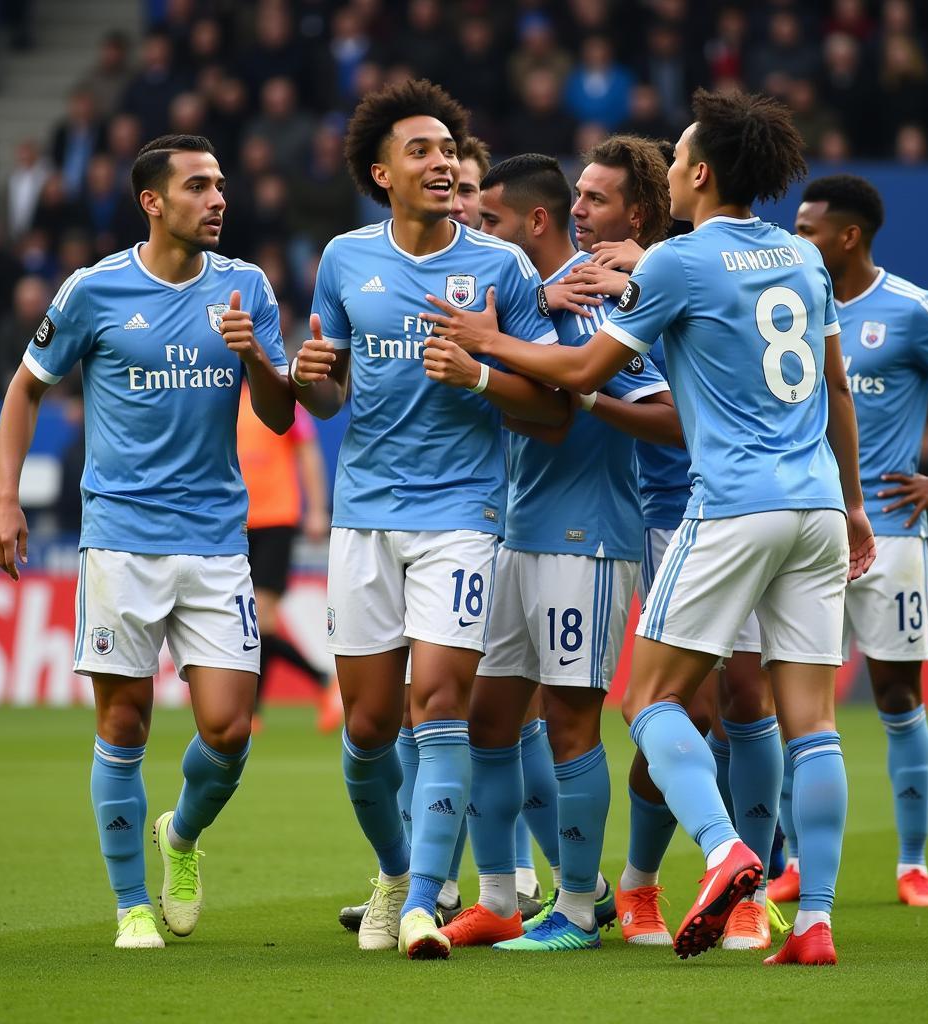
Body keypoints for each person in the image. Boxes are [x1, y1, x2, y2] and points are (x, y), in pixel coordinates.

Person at [422, 88, 876, 967]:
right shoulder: (801, 255)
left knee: (649, 701)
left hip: (734, 505)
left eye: (677, 159)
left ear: (701, 173)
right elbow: (838, 391)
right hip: (819, 503)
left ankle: (721, 849)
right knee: (811, 722)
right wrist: (854, 504)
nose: (667, 168)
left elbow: (588, 366)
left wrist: (491, 341)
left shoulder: (681, 262)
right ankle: (814, 922)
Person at [0, 134, 293, 950]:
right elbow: (23, 389)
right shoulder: (95, 290)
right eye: (198, 186)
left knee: (229, 730)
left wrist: (257, 355)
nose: (218, 198)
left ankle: (181, 837)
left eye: (222, 183)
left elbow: (281, 412)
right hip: (120, 539)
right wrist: (6, 497)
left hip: (217, 540)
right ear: (153, 202)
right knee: (123, 722)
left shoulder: (246, 288)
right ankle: (130, 905)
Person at [287, 79, 568, 960]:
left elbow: (555, 409)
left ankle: (419, 905)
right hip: (365, 517)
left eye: (450, 149)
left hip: (464, 515)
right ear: (383, 173)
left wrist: (481, 372)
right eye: (423, 151)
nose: (444, 162)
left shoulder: (501, 268)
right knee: (369, 726)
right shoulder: (343, 261)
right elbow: (329, 398)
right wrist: (309, 374)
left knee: (437, 703)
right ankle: (393, 870)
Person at [438, 148, 681, 953]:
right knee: (489, 719)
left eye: (493, 217)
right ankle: (501, 895)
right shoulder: (520, 299)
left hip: (586, 539)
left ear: (532, 222)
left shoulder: (597, 303)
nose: (475, 224)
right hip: (513, 532)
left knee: (572, 722)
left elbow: (668, 413)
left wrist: (571, 387)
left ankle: (579, 906)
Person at [560, 139, 783, 952]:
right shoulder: (587, 287)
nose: (581, 210)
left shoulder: (677, 267)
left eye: (597, 199)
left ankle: (747, 883)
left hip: (734, 504)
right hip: (666, 511)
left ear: (640, 214)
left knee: (746, 701)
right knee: (680, 706)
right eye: (576, 198)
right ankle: (643, 885)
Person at [789, 173, 928, 908]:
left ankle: (912, 864)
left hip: (893, 527)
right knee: (794, 696)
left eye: (809, 228)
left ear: (849, 236)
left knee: (898, 691)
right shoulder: (789, 304)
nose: (796, 237)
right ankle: (789, 862)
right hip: (808, 526)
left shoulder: (910, 310)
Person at [236, 383, 331, 726]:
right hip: (235, 523)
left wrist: (317, 508)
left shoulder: (279, 396)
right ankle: (322, 683)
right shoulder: (223, 392)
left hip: (276, 519)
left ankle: (252, 710)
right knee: (250, 623)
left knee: (261, 618)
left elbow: (307, 451)